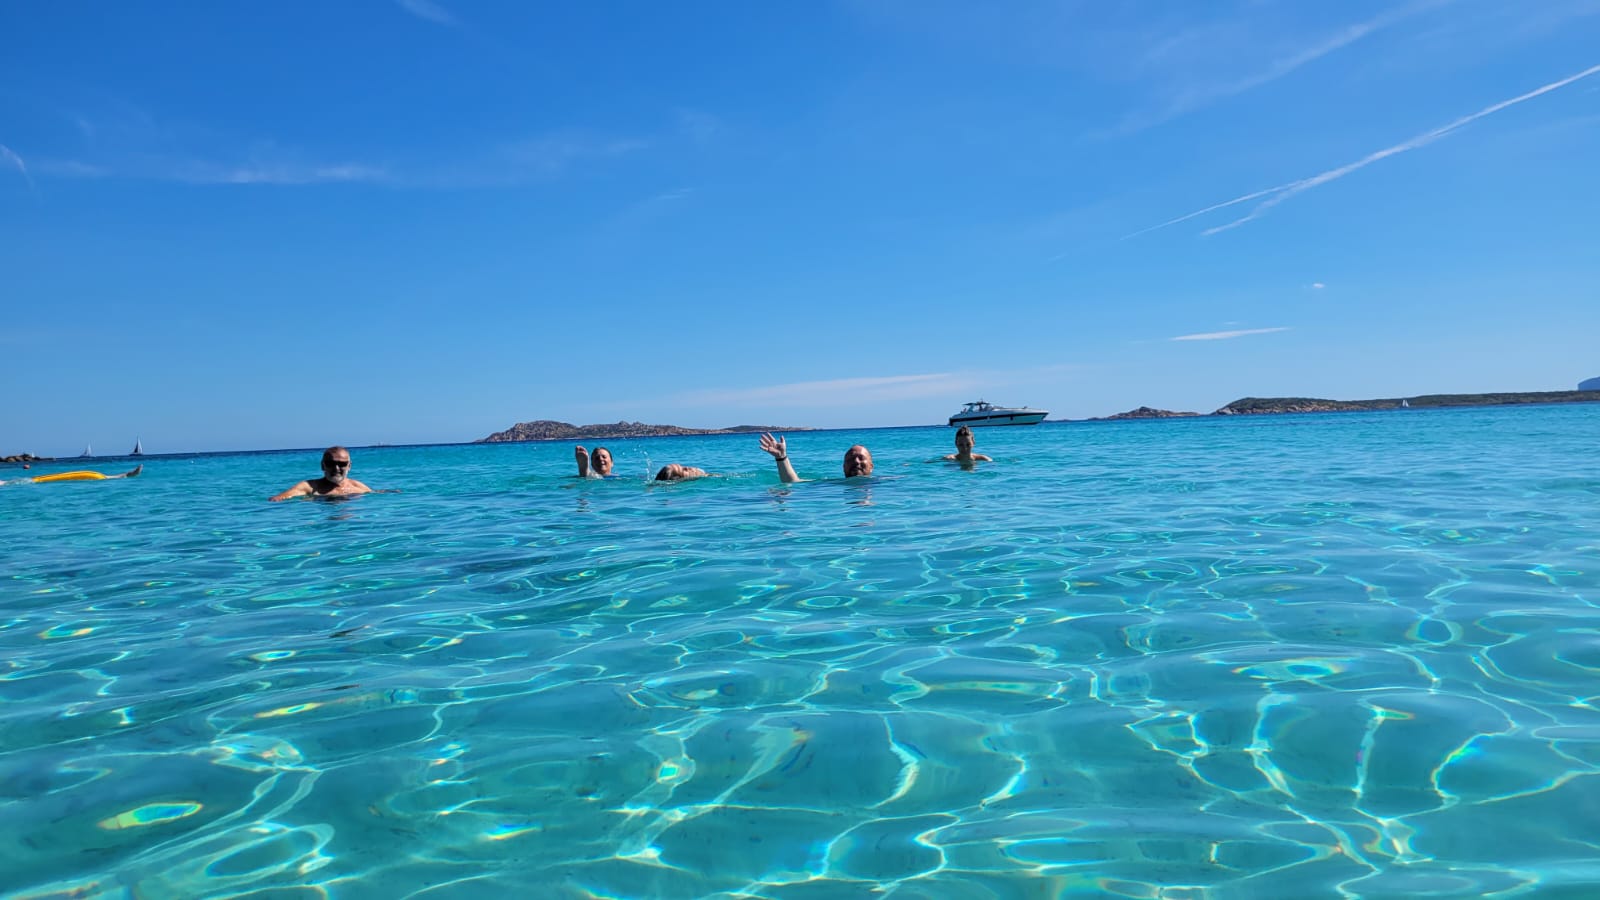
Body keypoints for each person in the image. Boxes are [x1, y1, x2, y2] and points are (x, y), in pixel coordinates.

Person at [270, 446, 376, 501]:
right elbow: (279, 498)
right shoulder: (309, 487)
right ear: (323, 465)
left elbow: (375, 494)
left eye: (342, 464)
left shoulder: (358, 487)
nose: (336, 468)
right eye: (330, 463)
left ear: (349, 466)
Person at [760, 432, 873, 483]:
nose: (856, 461)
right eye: (851, 459)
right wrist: (781, 457)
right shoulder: (833, 484)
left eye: (861, 457)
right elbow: (793, 482)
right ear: (844, 467)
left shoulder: (882, 483)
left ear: (871, 466)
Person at [27, 464, 143, 484]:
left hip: (96, 476)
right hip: (95, 476)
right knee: (105, 478)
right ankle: (128, 475)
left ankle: (128, 474)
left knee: (106, 477)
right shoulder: (99, 476)